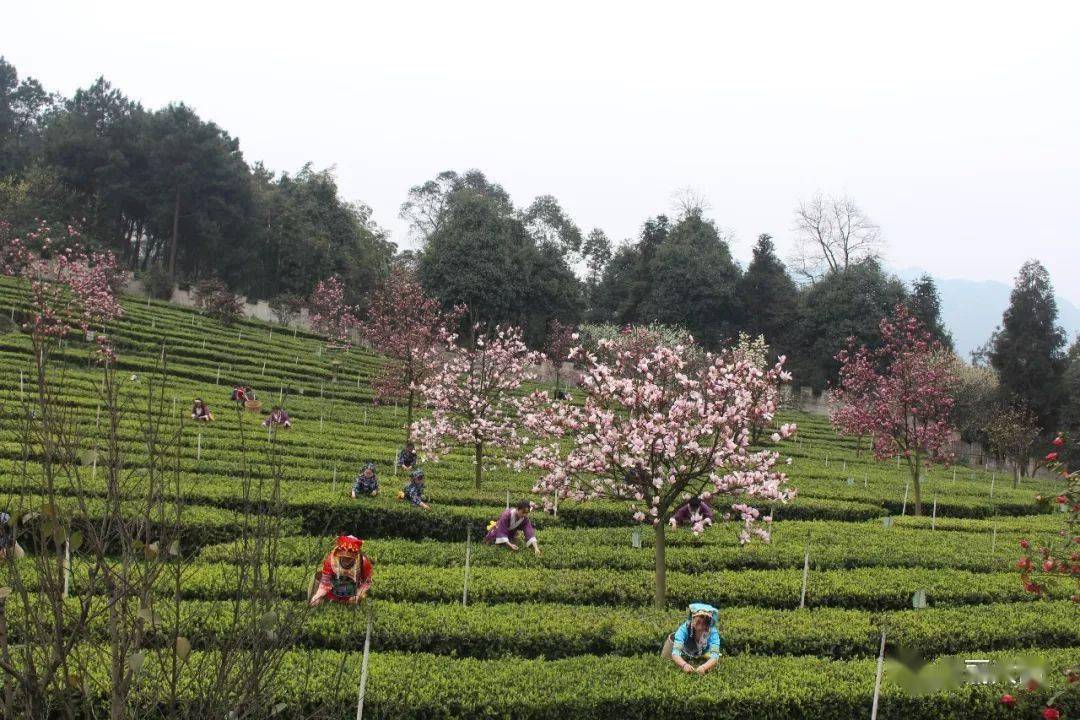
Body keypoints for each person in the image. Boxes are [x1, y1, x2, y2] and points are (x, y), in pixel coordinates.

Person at [309, 535, 373, 606]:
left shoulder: (363, 562)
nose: (346, 560)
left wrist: (358, 594)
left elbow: (367, 582)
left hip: (353, 595)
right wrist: (318, 596)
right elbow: (325, 582)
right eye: (343, 557)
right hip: (333, 594)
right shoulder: (331, 560)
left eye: (349, 558)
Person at [662, 603, 723, 675]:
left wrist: (704, 667)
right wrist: (684, 665)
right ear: (692, 619)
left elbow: (715, 656)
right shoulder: (683, 629)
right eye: (698, 622)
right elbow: (675, 653)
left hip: (702, 651)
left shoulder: (713, 632)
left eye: (704, 623)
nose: (700, 626)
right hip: (684, 649)